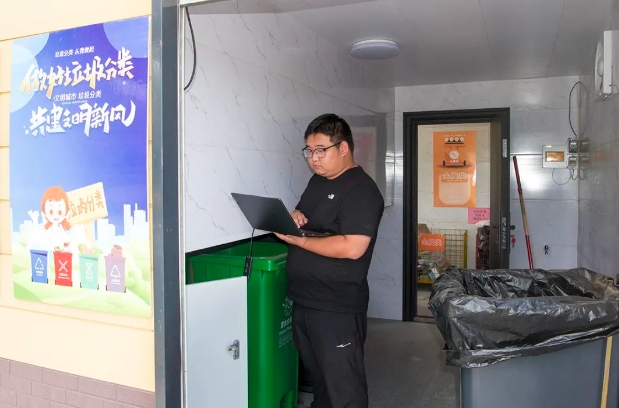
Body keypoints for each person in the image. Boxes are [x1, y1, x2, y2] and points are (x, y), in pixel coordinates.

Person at [274, 113, 384, 408]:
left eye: (321, 150)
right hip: (305, 301)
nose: (314, 158)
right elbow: (305, 217)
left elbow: (353, 247)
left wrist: (301, 241)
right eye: (309, 151)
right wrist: (295, 216)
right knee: (321, 383)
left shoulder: (361, 190)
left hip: (336, 307)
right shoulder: (318, 182)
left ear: (343, 147)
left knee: (344, 390)